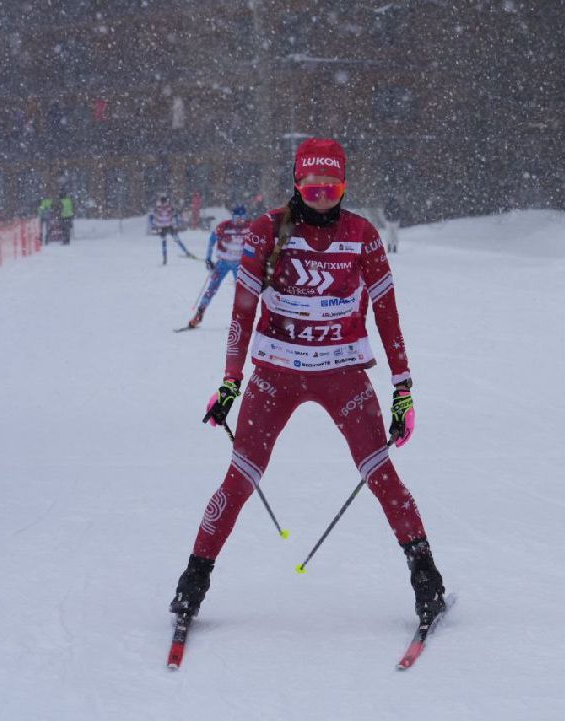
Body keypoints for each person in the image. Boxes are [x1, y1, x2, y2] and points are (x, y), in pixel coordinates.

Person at [169, 138, 447, 625]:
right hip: (276, 372)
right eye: (312, 185)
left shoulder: (361, 234)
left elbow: (388, 315)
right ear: (297, 182)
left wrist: (403, 390)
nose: (322, 195)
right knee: (240, 476)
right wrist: (231, 381)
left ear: (344, 185)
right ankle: (193, 581)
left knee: (380, 473)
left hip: (343, 373)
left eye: (332, 185)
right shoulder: (266, 230)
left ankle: (427, 580)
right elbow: (241, 311)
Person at [186, 205, 251, 328]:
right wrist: (208, 258)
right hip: (223, 263)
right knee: (211, 288)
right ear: (232, 216)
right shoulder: (224, 226)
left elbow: (257, 243)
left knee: (242, 291)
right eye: (237, 217)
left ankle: (241, 320)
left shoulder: (249, 227)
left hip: (239, 264)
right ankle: (199, 315)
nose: (239, 221)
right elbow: (212, 241)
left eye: (242, 218)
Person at [150, 194, 195, 264]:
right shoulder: (161, 208)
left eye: (166, 202)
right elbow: (155, 217)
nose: (165, 204)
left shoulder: (166, 208)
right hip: (164, 227)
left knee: (175, 239)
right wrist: (156, 225)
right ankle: (165, 259)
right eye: (164, 202)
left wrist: (175, 222)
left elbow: (173, 214)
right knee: (165, 241)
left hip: (168, 226)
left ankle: (186, 252)